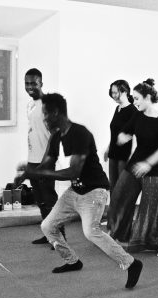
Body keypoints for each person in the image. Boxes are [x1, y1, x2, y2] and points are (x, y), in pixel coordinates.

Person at [15, 93, 143, 287]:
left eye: (46, 115)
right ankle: (72, 261)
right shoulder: (56, 136)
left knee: (91, 232)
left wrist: (38, 172)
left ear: (56, 113)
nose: (44, 119)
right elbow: (46, 165)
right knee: (47, 226)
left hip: (94, 191)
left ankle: (131, 263)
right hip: (75, 191)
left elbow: (73, 170)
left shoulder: (80, 134)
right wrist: (28, 173)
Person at [107, 79, 158, 254]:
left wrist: (148, 164)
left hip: (155, 170)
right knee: (119, 195)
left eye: (136, 99)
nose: (134, 102)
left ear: (148, 97)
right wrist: (123, 137)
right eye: (133, 99)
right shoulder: (137, 115)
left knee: (152, 208)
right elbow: (126, 131)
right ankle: (119, 234)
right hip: (134, 165)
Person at [23, 68, 62, 246]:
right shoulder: (31, 105)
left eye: (34, 83)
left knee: (50, 200)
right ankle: (48, 233)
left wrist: (47, 159)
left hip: (45, 161)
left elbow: (56, 133)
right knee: (40, 200)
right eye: (27, 83)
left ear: (41, 83)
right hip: (32, 158)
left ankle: (59, 237)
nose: (30, 87)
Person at [104, 80, 137, 191]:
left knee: (121, 188)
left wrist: (127, 138)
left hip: (124, 155)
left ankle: (122, 209)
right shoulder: (117, 109)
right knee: (113, 186)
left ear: (124, 92)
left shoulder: (133, 110)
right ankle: (113, 209)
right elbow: (115, 132)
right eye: (112, 93)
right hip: (113, 153)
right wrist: (108, 148)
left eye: (115, 93)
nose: (113, 96)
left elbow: (138, 133)